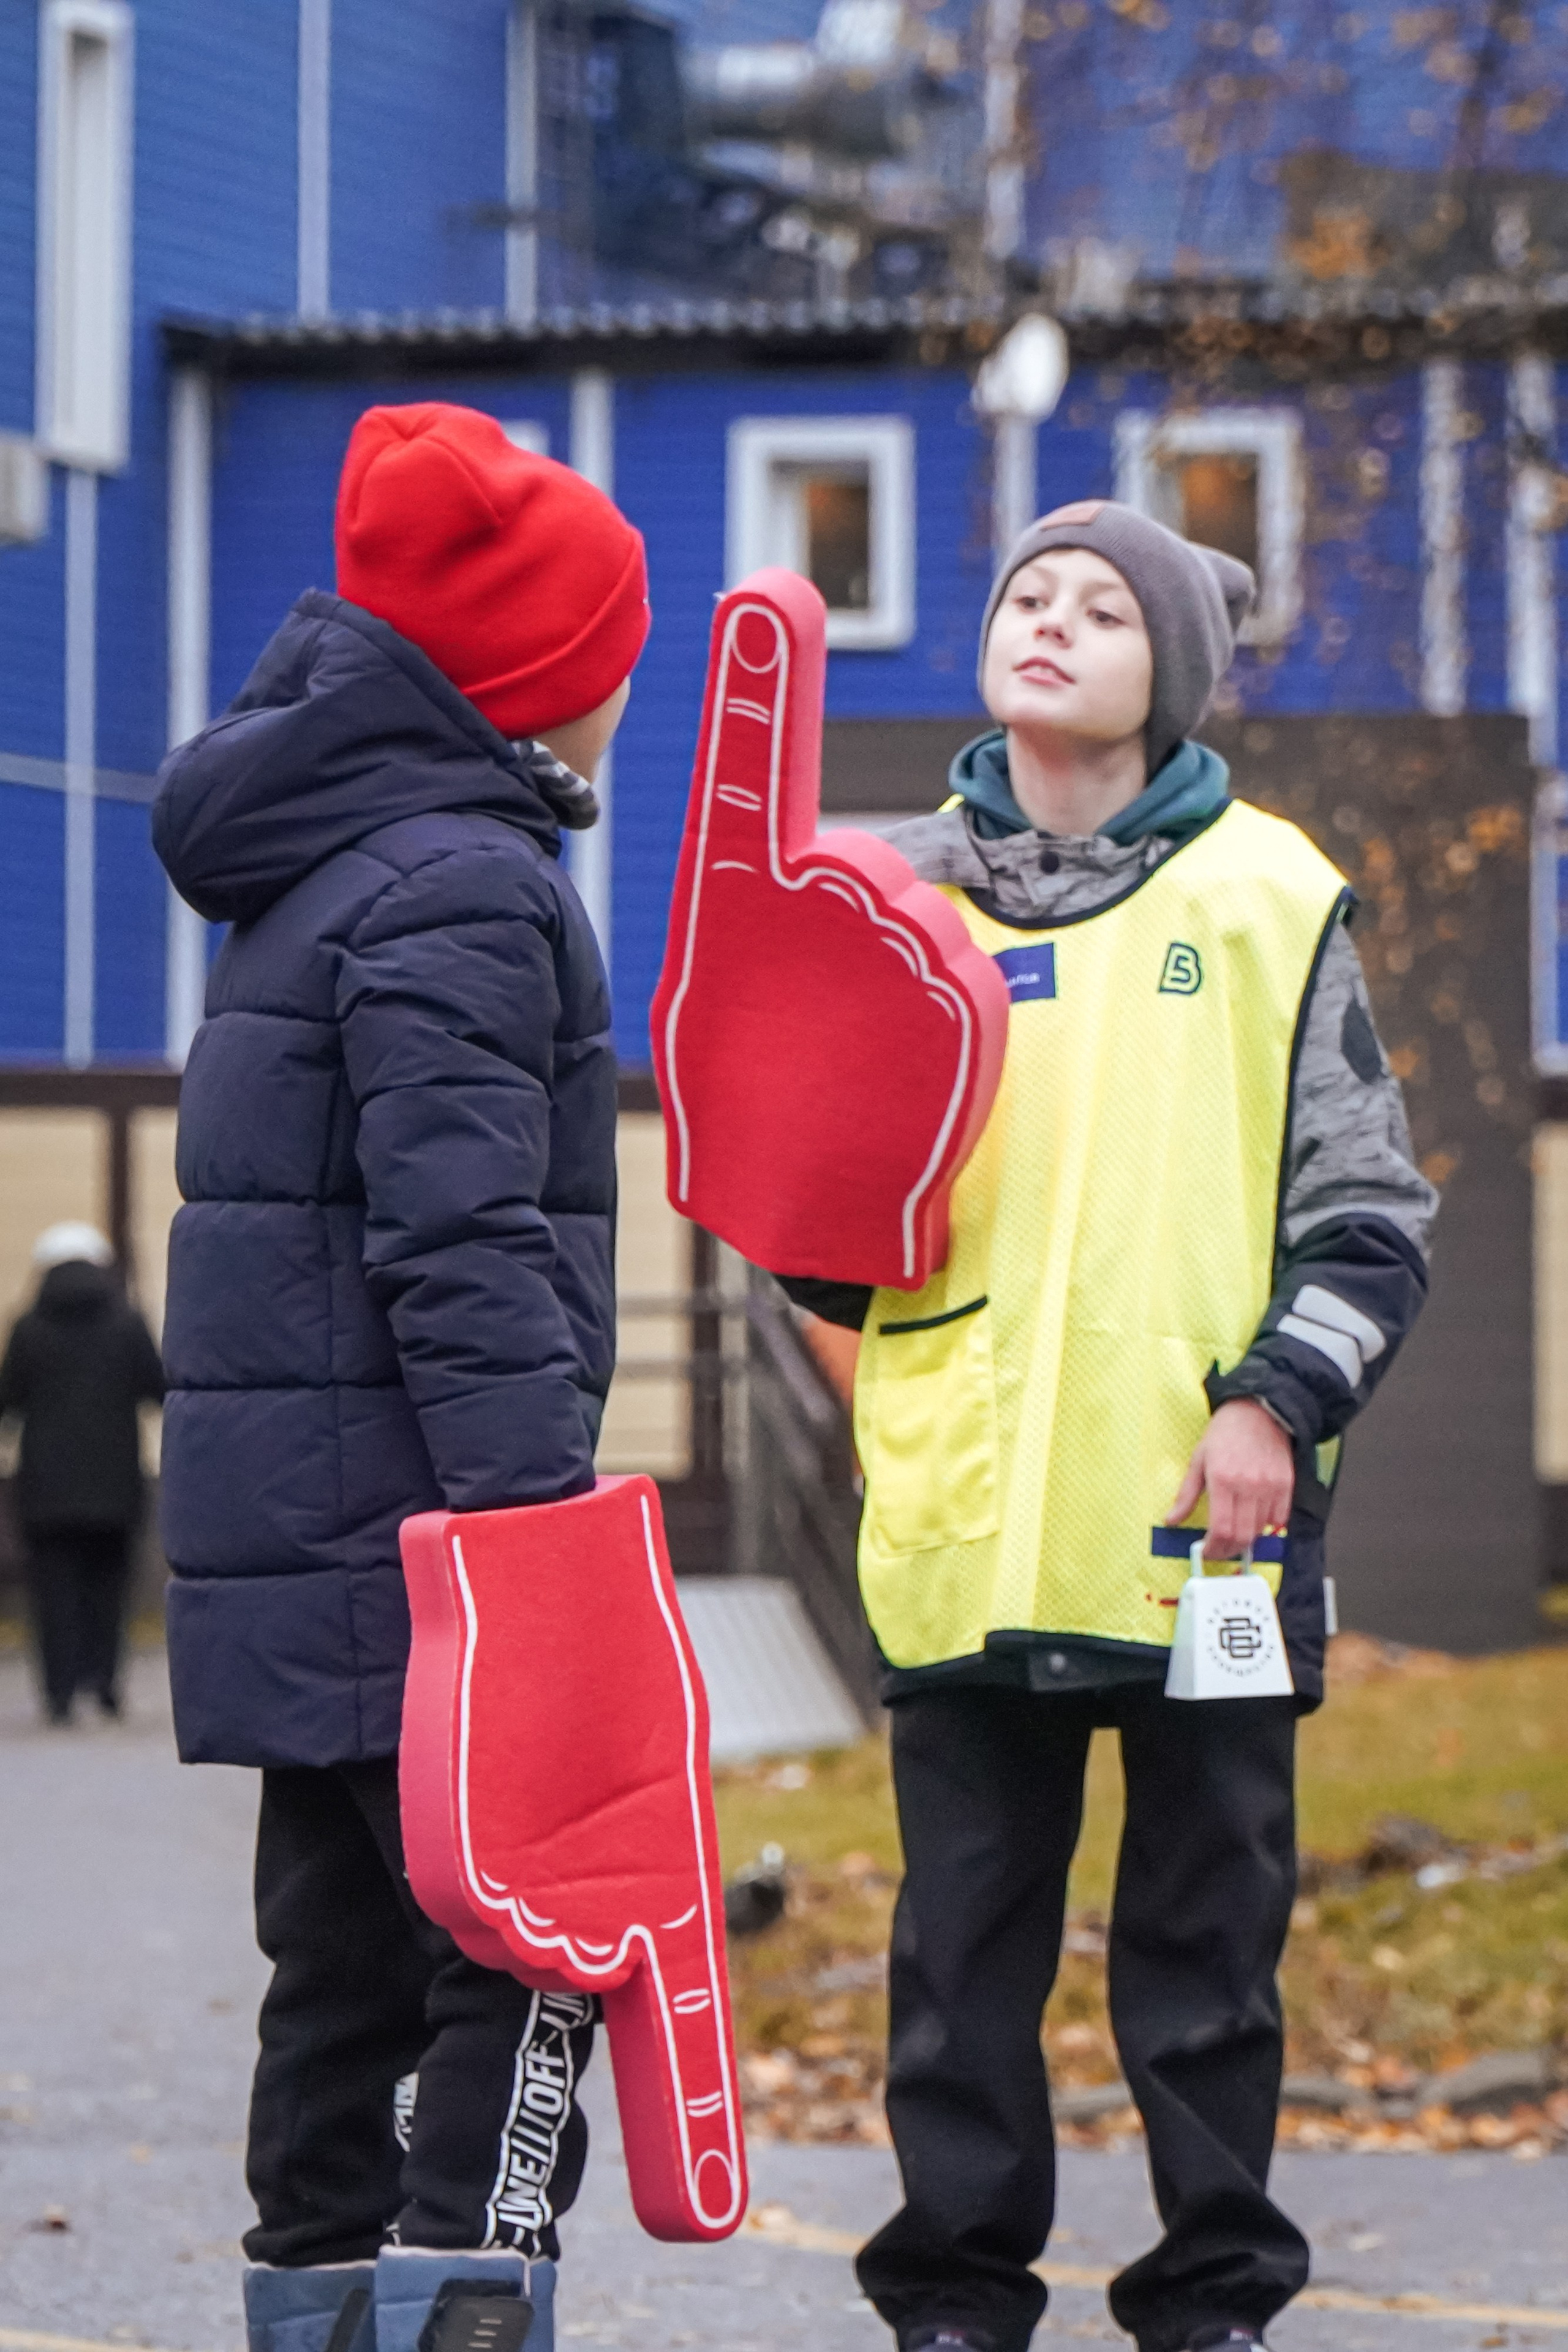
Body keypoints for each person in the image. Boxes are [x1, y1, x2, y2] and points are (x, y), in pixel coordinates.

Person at [779, 500, 1437, 2352]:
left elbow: (1372, 1220)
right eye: (1021, 595)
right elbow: (828, 1227)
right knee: (958, 1957)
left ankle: (1212, 2297)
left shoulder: (1266, 896)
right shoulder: (886, 900)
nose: (1046, 622)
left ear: (1175, 677)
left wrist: (1269, 1403)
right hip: (964, 1523)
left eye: (1099, 606)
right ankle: (953, 2298)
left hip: (1202, 1526)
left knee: (1204, 1958)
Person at [151, 403, 647, 2352]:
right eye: (608, 663)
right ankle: (462, 2322)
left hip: (312, 1547)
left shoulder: (326, 860)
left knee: (339, 1974)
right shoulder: (463, 882)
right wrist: (544, 1553)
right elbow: (460, 1236)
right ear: (533, 687)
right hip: (440, 1558)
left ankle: (318, 2320)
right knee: (530, 1961)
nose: (623, 697)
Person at [0, 1222, 165, 1725]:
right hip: (116, 1483)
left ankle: (59, 1693)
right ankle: (105, 1685)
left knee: (53, 1591)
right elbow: (158, 1390)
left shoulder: (28, 1326)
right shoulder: (128, 1321)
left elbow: (8, 1399)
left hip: (46, 1487)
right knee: (109, 1587)